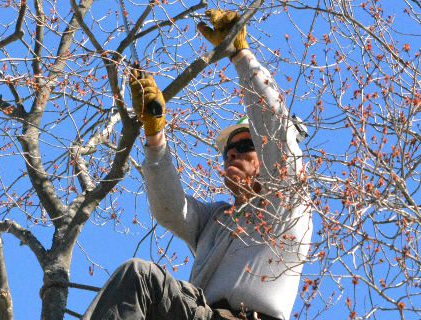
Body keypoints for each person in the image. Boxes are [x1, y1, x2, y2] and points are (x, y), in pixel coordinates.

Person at [83, 9, 312, 320]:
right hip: (200, 315)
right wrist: (154, 135)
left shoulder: (287, 205)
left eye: (245, 146)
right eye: (228, 150)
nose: (232, 153)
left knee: (142, 278)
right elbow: (170, 208)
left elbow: (273, 125)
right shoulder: (217, 220)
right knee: (138, 289)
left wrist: (241, 55)